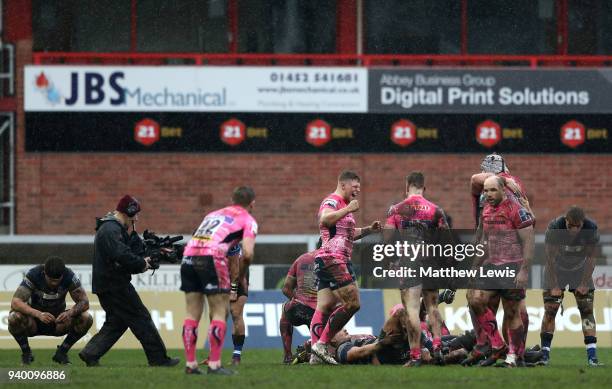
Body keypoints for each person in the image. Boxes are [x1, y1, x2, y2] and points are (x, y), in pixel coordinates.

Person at [79, 195, 179, 367]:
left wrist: (151, 254)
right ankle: (158, 359)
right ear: (129, 212)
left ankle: (90, 353)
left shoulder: (111, 228)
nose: (137, 218)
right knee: (141, 318)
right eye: (135, 215)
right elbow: (122, 255)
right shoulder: (111, 229)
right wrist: (142, 263)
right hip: (115, 285)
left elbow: (127, 253)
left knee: (117, 322)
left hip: (107, 284)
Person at [180, 186, 257, 375]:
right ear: (252, 204)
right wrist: (241, 273)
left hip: (188, 255)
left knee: (192, 313)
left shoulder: (212, 214)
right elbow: (247, 254)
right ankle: (214, 364)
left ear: (232, 199)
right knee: (219, 312)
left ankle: (191, 364)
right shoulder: (248, 220)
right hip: (212, 258)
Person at [464, 153, 532, 366]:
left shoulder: (514, 201)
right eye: (486, 190)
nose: (487, 194)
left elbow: (529, 238)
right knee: (475, 299)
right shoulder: (487, 208)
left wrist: (523, 270)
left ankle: (515, 355)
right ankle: (494, 344)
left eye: (492, 189)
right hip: (492, 262)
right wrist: (474, 267)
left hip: (512, 263)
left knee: (515, 310)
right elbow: (483, 239)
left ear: (502, 187)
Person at [309, 170, 382, 365]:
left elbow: (348, 233)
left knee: (324, 306)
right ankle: (321, 345)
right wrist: (348, 209)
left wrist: (369, 230)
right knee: (353, 304)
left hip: (329, 259)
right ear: (343, 185)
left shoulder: (342, 206)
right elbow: (324, 220)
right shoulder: (332, 201)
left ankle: (315, 355)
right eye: (354, 186)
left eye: (359, 187)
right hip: (334, 258)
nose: (357, 190)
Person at [384, 172, 449, 367]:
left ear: (406, 187)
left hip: (408, 262)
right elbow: (447, 239)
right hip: (430, 262)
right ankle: (438, 346)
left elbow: (387, 239)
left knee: (411, 308)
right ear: (424, 188)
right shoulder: (436, 210)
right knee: (433, 306)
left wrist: (389, 260)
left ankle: (415, 356)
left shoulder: (397, 209)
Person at [540, 206, 603, 367]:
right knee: (551, 309)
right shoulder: (555, 228)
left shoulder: (591, 229)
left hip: (579, 270)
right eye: (570, 226)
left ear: (583, 223)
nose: (574, 230)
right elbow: (549, 258)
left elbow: (591, 258)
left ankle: (592, 357)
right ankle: (544, 356)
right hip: (556, 270)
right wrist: (554, 285)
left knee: (586, 309)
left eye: (578, 227)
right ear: (565, 221)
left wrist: (583, 283)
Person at [8, 256, 92, 365]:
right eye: (51, 280)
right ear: (44, 273)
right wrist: (38, 314)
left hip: (58, 322)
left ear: (62, 275)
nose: (54, 283)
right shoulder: (34, 275)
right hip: (33, 322)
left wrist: (69, 313)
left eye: (57, 281)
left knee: (86, 318)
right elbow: (15, 302)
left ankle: (62, 353)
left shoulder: (69, 276)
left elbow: (85, 302)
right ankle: (26, 353)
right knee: (13, 317)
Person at [280, 249, 318, 363]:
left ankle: (288, 356)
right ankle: (309, 352)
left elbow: (286, 288)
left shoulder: (301, 259)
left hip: (297, 309)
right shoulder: (332, 260)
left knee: (285, 308)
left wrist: (299, 299)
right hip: (318, 313)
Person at [229, 244, 248, 366]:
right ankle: (212, 356)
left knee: (236, 314)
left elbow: (235, 270)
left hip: (239, 278)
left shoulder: (230, 243)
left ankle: (237, 356)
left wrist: (233, 290)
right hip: (223, 276)